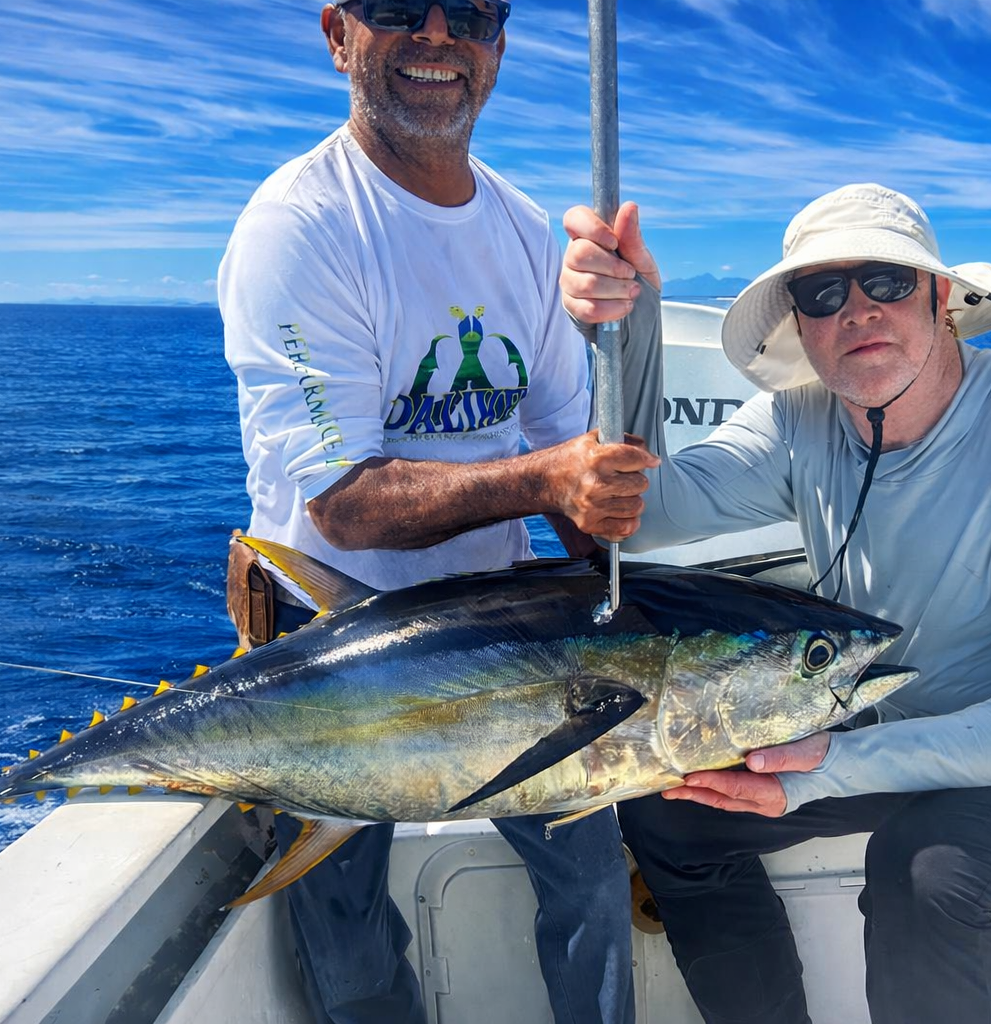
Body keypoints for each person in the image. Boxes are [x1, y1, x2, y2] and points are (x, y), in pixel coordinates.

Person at [558, 183, 991, 1024]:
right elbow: (642, 519)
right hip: (892, 718)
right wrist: (633, 323)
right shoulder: (799, 422)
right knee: (675, 816)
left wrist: (824, 771)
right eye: (824, 293)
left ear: (942, 298)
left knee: (924, 869)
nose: (859, 311)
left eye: (887, 281)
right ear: (800, 323)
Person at [217, 3, 656, 1022]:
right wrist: (550, 480)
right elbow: (345, 504)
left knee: (586, 870)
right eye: (396, 6)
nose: (435, 34)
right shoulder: (299, 225)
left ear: (497, 46)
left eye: (471, 12)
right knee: (346, 919)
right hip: (329, 631)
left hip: (497, 621)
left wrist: (632, 592)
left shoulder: (519, 225)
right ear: (338, 32)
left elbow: (566, 440)